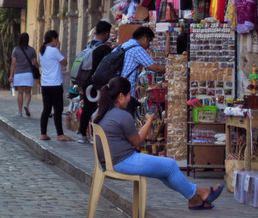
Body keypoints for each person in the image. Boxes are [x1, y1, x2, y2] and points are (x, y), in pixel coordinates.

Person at [93, 77, 223, 210]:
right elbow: (137, 142)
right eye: (128, 95)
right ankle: (198, 194)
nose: (129, 99)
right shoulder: (122, 116)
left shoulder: (102, 114)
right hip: (122, 162)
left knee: (164, 169)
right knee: (170, 165)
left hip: (112, 162)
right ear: (121, 96)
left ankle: (196, 198)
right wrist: (149, 121)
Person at [76, 20, 113, 143]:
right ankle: (94, 136)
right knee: (100, 108)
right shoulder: (104, 49)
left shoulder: (89, 44)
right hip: (98, 82)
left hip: (86, 80)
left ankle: (82, 134)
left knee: (87, 107)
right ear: (106, 34)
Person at [117, 26, 166, 116]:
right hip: (127, 93)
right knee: (127, 120)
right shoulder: (137, 49)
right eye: (149, 41)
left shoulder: (124, 45)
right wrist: (171, 69)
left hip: (117, 90)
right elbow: (156, 68)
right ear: (144, 38)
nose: (148, 45)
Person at [39, 30, 73, 141]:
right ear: (53, 39)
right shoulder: (54, 51)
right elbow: (64, 62)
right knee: (57, 110)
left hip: (45, 84)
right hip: (55, 84)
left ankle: (43, 133)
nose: (58, 41)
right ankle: (60, 134)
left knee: (46, 109)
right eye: (57, 39)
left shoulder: (41, 51)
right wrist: (58, 49)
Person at [9, 32, 38, 118]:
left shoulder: (16, 50)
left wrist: (11, 75)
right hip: (28, 73)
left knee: (20, 93)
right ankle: (27, 105)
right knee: (28, 92)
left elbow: (13, 63)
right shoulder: (32, 50)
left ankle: (20, 111)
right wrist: (38, 69)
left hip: (18, 73)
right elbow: (35, 62)